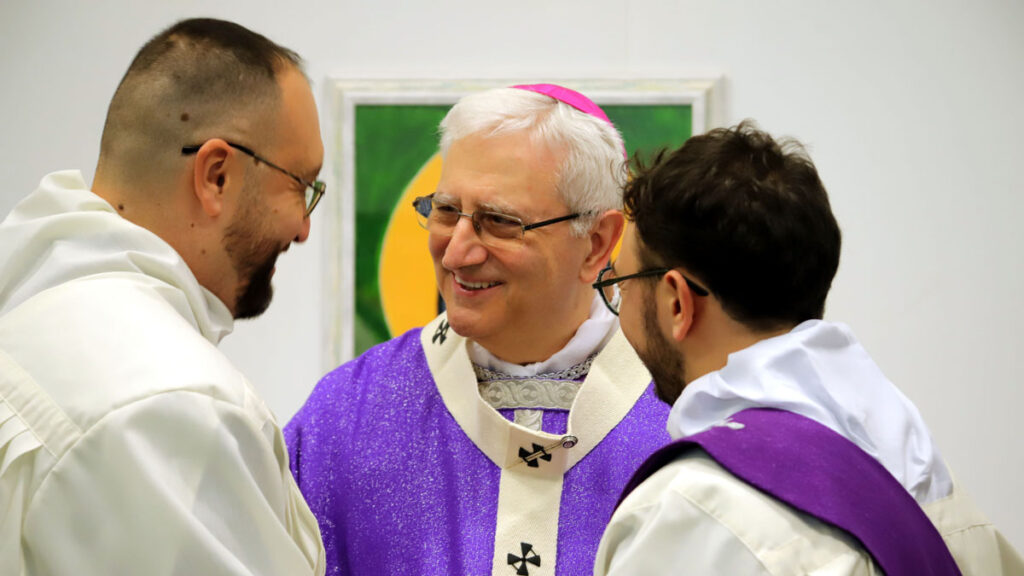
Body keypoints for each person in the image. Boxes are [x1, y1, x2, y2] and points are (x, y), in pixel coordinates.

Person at [591, 121, 1024, 575]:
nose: (620, 308)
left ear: (677, 302)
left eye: (622, 284)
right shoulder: (926, 473)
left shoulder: (689, 513)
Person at [285, 84, 670, 575]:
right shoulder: (348, 415)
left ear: (596, 243)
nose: (455, 253)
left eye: (500, 221)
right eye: (446, 211)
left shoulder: (678, 413)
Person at [0, 18, 326, 575]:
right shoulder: (175, 403)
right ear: (216, 175)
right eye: (302, 185)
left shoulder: (25, 320)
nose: (303, 228)